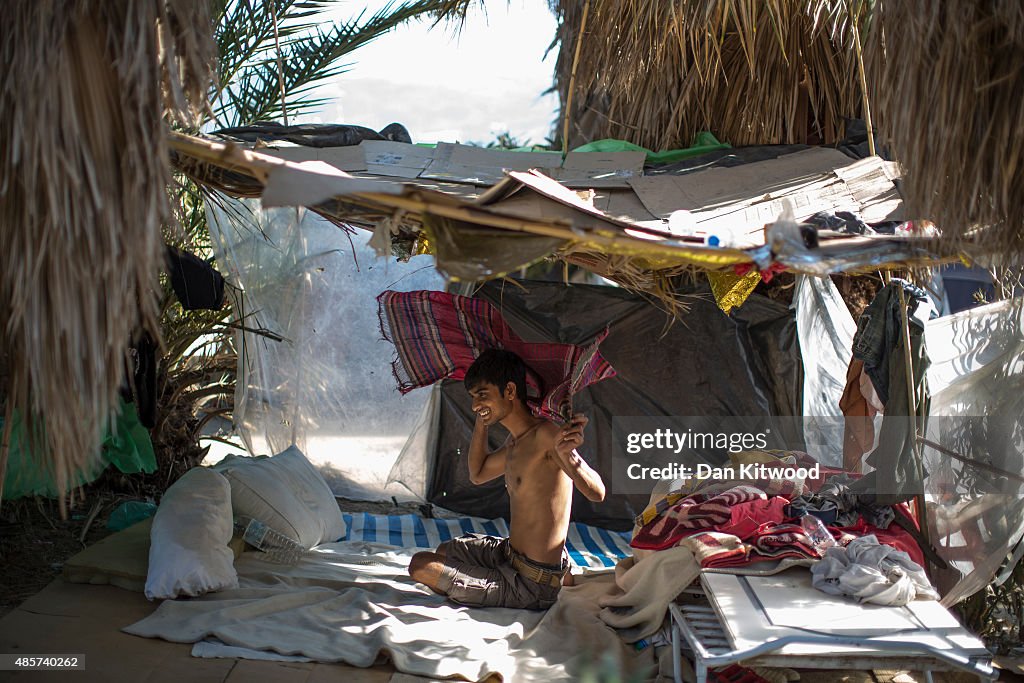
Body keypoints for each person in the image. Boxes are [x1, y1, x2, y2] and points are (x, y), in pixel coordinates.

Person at [408, 349, 606, 610]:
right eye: (472, 398)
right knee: (445, 549)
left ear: (510, 391)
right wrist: (482, 421)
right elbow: (477, 474)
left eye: (482, 395)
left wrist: (569, 457)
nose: (475, 405)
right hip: (508, 556)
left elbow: (597, 493)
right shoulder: (515, 443)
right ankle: (555, 575)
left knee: (421, 564)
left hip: (531, 583)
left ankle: (552, 580)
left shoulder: (547, 435)